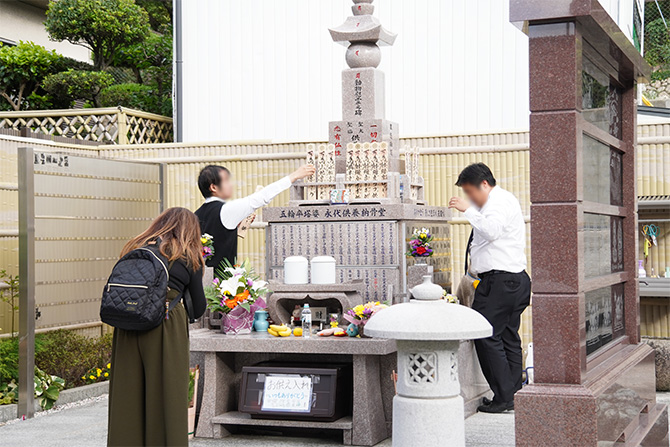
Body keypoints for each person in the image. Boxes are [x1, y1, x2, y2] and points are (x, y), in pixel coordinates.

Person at [107, 207, 207, 446]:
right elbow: (198, 307)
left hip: (127, 325)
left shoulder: (135, 248)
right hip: (165, 324)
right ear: (190, 231)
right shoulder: (187, 256)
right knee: (166, 391)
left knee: (127, 392)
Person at [448, 163, 530, 414]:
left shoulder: (498, 202)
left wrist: (468, 211)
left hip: (501, 282)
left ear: (484, 184)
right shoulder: (499, 202)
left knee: (485, 334)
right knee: (507, 337)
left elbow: (492, 232)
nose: (468, 198)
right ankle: (514, 394)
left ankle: (504, 397)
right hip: (512, 281)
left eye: (470, 192)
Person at [194, 164, 315, 271]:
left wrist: (238, 227)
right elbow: (262, 197)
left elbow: (216, 238)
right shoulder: (227, 209)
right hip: (223, 286)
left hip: (200, 283)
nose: (230, 184)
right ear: (214, 187)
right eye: (226, 180)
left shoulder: (195, 215)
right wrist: (294, 176)